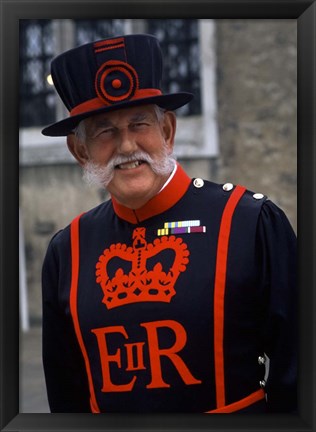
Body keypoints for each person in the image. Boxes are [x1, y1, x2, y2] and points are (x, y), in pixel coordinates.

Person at [41, 33, 297, 414]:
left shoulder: (250, 222)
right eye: (105, 130)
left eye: (139, 124)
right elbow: (67, 398)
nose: (127, 146)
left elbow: (299, 378)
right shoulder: (68, 251)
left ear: (168, 131)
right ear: (81, 151)